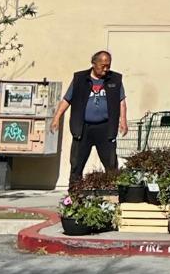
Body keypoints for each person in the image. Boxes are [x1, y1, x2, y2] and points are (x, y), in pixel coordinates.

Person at [50, 50, 127, 183]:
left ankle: (113, 192)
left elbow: (122, 102)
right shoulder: (80, 79)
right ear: (94, 63)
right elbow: (67, 100)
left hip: (105, 128)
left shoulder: (115, 79)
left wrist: (123, 121)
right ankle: (74, 192)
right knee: (76, 165)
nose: (106, 69)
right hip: (83, 128)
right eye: (103, 66)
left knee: (111, 164)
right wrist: (56, 118)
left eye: (108, 66)